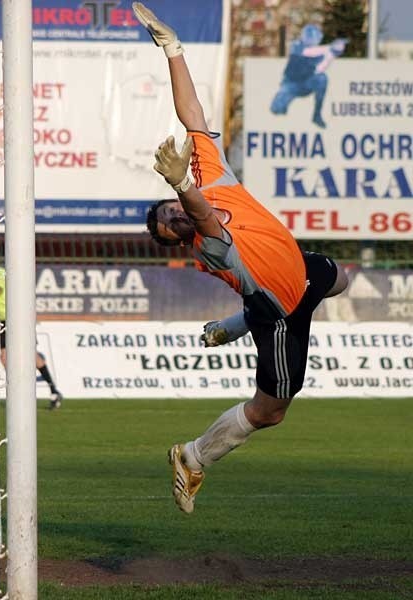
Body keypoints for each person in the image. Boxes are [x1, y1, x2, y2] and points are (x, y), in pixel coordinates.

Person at [133, 2, 349, 514]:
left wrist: (174, 51)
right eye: (170, 228)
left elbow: (193, 116)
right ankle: (193, 456)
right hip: (282, 310)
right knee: (272, 410)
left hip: (302, 268)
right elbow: (204, 217)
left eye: (170, 212)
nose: (174, 220)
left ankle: (234, 322)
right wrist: (181, 185)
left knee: (342, 279)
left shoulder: (209, 171)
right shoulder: (207, 247)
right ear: (176, 240)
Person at [0, 245, 64, 410]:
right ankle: (20, 391)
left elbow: (22, 292)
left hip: (20, 319)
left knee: (32, 357)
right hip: (4, 321)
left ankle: (53, 391)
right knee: (4, 358)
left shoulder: (4, 275)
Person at [270, 24, 347, 128]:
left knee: (322, 78)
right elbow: (307, 52)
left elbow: (320, 68)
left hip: (306, 83)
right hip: (291, 84)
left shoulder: (320, 52)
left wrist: (333, 53)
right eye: (312, 36)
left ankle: (317, 115)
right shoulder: (297, 45)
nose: (314, 40)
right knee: (276, 110)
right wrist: (330, 47)